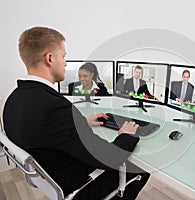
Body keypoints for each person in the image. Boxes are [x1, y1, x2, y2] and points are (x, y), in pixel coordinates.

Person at [3, 26, 149, 200]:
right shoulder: (55, 108)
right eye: (63, 56)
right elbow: (109, 158)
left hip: (53, 174)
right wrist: (125, 135)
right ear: (50, 58)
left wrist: (81, 123)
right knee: (140, 171)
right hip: (79, 186)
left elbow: (42, 130)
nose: (65, 63)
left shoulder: (13, 98)